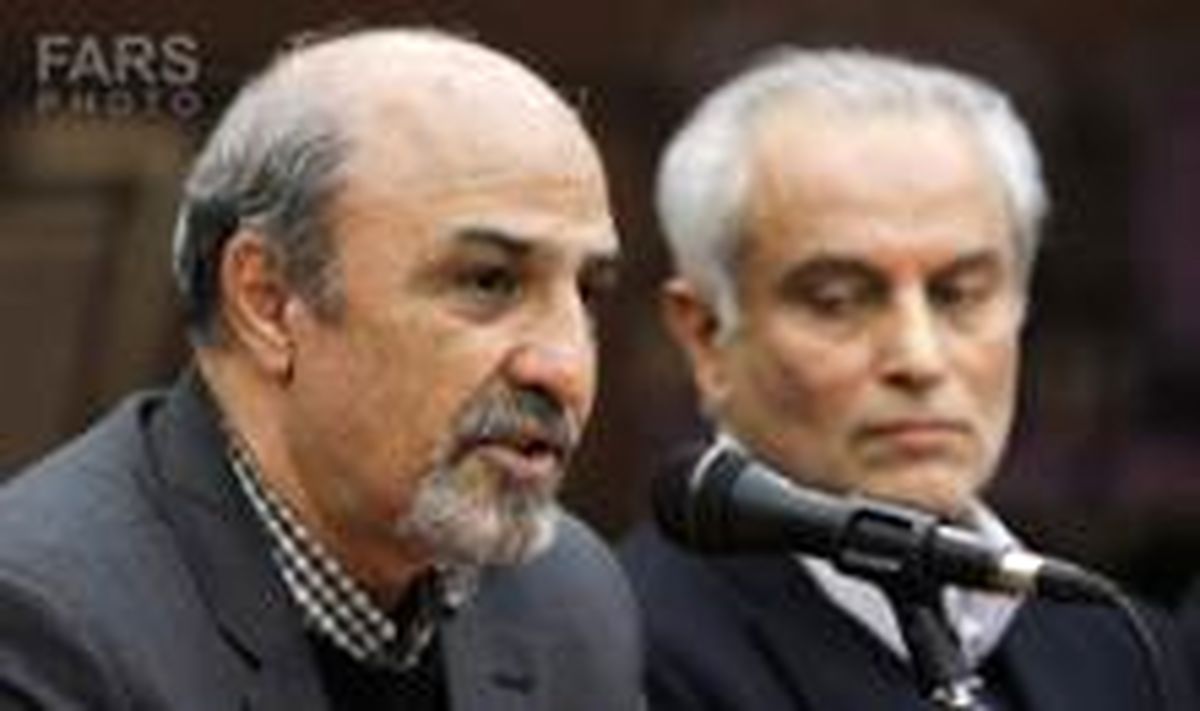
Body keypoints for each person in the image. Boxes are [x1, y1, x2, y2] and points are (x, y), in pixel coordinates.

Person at [0, 28, 642, 710]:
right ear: (269, 302)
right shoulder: (44, 624)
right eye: (488, 281)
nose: (565, 368)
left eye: (588, 293)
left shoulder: (566, 598)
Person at [621, 47, 1194, 710]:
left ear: (1021, 303)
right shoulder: (617, 656)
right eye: (837, 300)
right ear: (705, 335)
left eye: (960, 294)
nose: (919, 358)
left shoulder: (1126, 648)